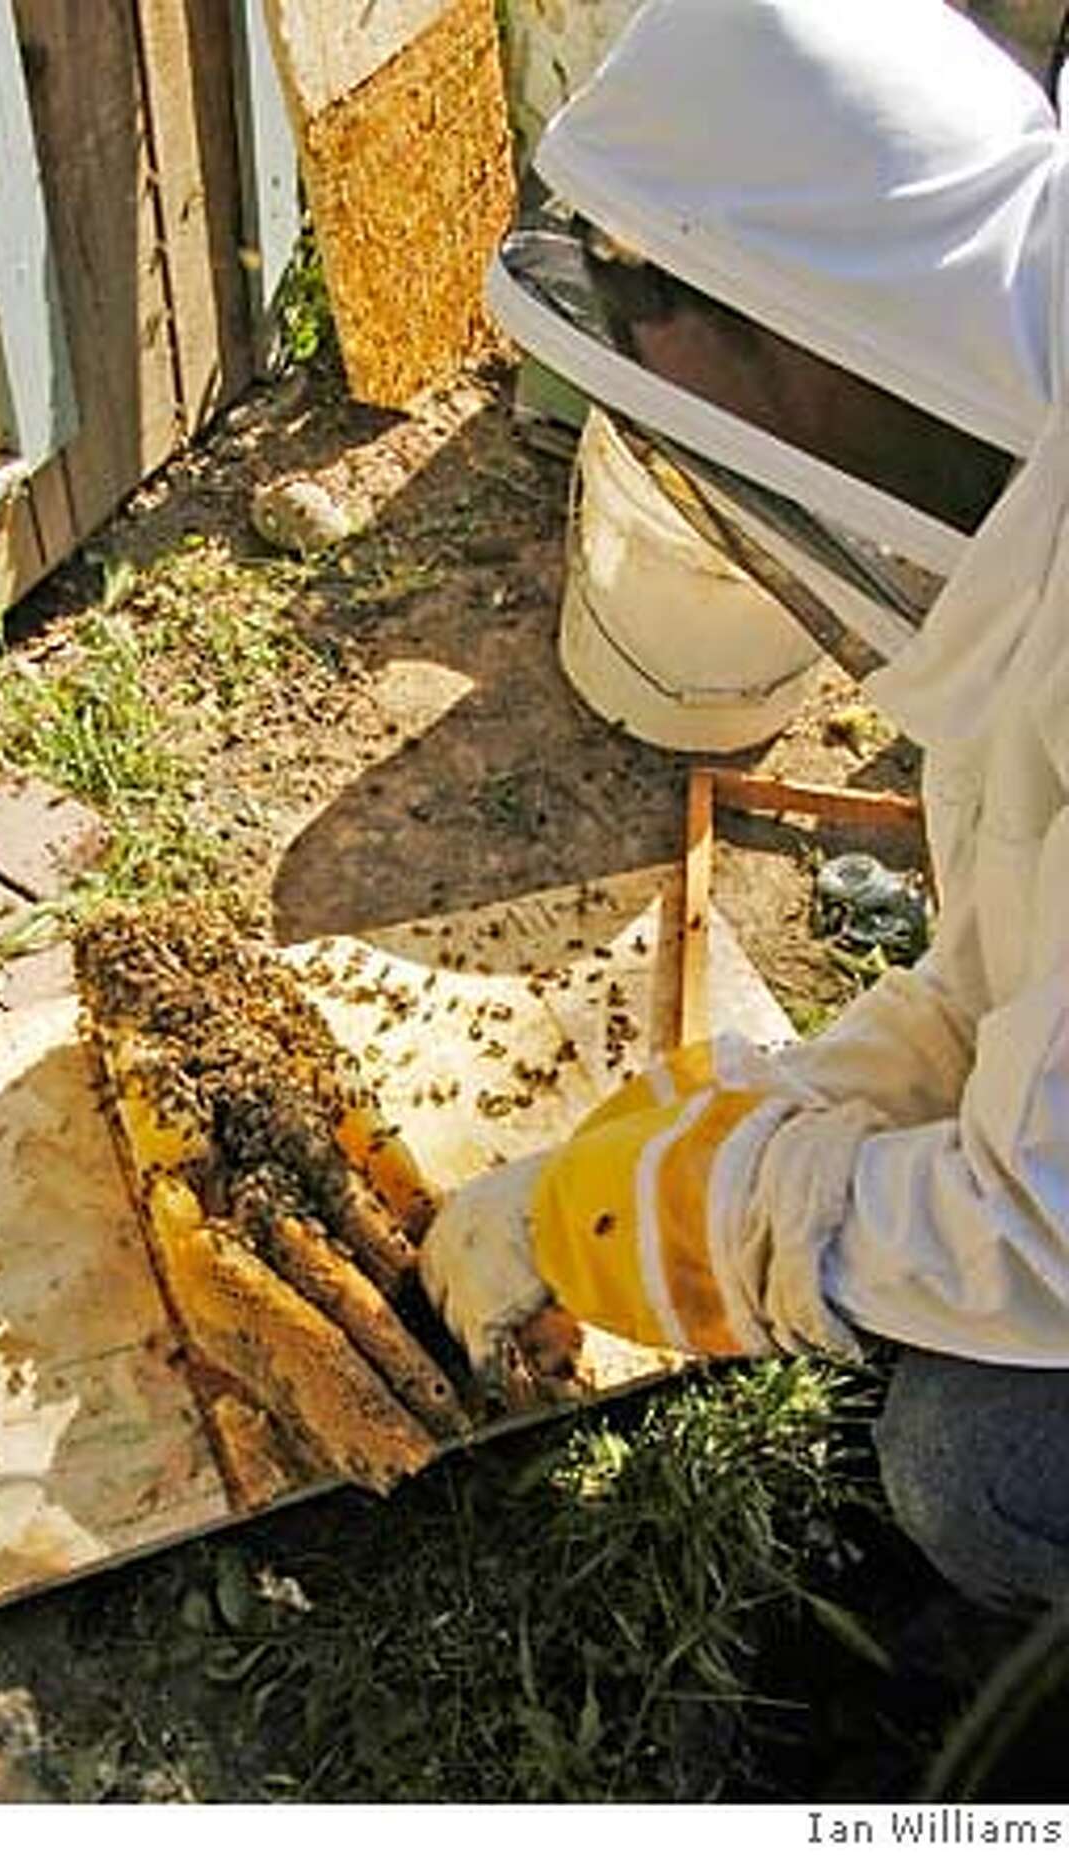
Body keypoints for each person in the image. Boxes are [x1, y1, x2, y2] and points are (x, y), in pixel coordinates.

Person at [421, 0, 1069, 1615]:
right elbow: (1009, 992)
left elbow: (1044, 1242)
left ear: (825, 334)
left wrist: (712, 1216)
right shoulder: (1027, 525)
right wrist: (760, 1117)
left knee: (975, 1454)